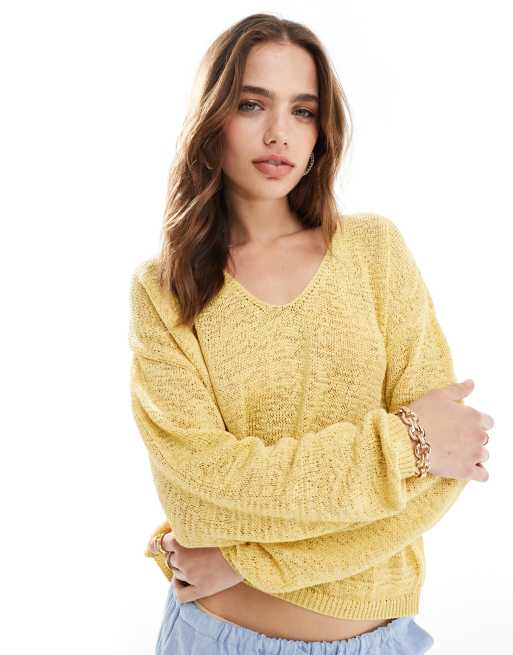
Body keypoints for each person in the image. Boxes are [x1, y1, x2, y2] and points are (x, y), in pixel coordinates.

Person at [128, 12, 493, 655]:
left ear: (323, 131)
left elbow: (447, 468)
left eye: (302, 111)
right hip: (216, 637)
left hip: (375, 640)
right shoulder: (165, 290)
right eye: (252, 104)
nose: (279, 133)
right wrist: (408, 443)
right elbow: (205, 493)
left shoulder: (374, 251)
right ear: (213, 118)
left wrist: (248, 562)